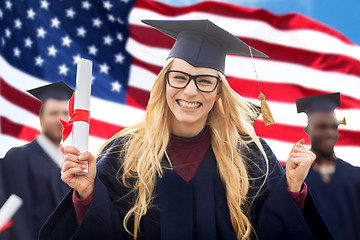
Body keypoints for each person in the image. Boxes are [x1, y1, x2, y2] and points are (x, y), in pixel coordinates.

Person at [40, 19, 333, 240]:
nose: (190, 91)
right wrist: (88, 193)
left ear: (219, 92)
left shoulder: (251, 156)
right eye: (179, 77)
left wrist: (292, 187)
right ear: (164, 82)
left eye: (205, 80)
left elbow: (272, 229)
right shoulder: (125, 153)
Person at [1, 81, 73, 240]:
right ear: (41, 118)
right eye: (53, 113)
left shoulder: (69, 162)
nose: (60, 119)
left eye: (64, 113)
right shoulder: (19, 157)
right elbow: (19, 221)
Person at [297, 92, 360, 240]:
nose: (329, 133)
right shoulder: (295, 177)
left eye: (333, 127)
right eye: (322, 127)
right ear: (307, 129)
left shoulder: (355, 175)